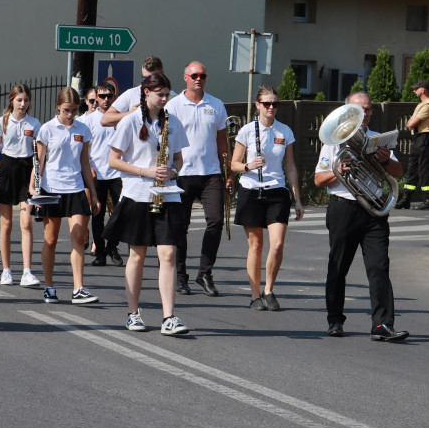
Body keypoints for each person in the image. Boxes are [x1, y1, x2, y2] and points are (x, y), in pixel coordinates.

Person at [315, 91, 409, 342]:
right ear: (347, 112)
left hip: (374, 210)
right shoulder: (333, 142)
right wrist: (338, 171)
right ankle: (335, 320)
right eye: (359, 110)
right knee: (338, 267)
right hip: (344, 209)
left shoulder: (378, 139)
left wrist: (387, 160)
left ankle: (382, 325)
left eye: (367, 110)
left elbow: (399, 172)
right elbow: (318, 179)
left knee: (379, 267)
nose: (364, 114)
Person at [104, 72, 189, 335]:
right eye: (159, 94)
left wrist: (172, 171)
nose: (164, 99)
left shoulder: (173, 122)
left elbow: (178, 160)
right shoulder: (130, 121)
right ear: (146, 93)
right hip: (138, 194)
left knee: (168, 254)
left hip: (167, 194)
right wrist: (145, 172)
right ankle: (133, 313)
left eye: (167, 94)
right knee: (137, 255)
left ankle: (169, 317)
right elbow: (113, 160)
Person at [230, 87, 304, 312]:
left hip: (276, 191)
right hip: (251, 189)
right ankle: (254, 295)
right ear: (257, 105)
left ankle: (269, 290)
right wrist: (247, 166)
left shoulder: (285, 131)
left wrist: (297, 199)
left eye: (275, 104)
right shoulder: (247, 131)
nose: (271, 107)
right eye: (266, 103)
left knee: (277, 243)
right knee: (256, 245)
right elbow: (233, 163)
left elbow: (290, 167)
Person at [166, 61, 231, 296]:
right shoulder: (173, 106)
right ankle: (181, 276)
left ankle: (205, 273)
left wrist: (228, 170)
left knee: (215, 221)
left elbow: (222, 141)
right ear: (185, 77)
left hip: (210, 173)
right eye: (194, 75)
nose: (198, 79)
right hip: (181, 174)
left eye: (202, 75)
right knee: (180, 226)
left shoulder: (216, 104)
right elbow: (166, 140)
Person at [32, 87, 101, 305]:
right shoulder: (47, 129)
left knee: (79, 237)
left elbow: (84, 163)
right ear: (58, 108)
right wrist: (33, 189)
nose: (70, 114)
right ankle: (49, 287)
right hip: (51, 189)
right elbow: (39, 162)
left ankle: (78, 288)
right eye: (66, 110)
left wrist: (95, 195)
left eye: (74, 110)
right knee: (50, 240)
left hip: (76, 188)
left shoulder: (83, 129)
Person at [0, 84, 42, 289]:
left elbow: (38, 157)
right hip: (6, 169)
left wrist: (36, 181)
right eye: (19, 100)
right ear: (11, 101)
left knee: (26, 223)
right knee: (6, 224)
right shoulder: (2, 121)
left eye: (26, 100)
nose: (23, 104)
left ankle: (27, 271)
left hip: (26, 172)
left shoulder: (35, 123)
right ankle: (6, 270)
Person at [77, 81, 123, 267]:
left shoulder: (120, 118)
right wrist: (88, 167)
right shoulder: (88, 120)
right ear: (96, 97)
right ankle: (101, 252)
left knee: (121, 211)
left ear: (114, 98)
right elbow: (82, 148)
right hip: (96, 173)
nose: (105, 100)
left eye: (109, 96)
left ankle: (113, 246)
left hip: (117, 171)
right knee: (97, 213)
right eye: (102, 96)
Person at [100, 56, 173, 127]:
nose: (148, 83)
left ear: (162, 74)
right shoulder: (132, 94)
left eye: (153, 79)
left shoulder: (172, 98)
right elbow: (105, 120)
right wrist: (131, 114)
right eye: (145, 78)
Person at [398, 80, 429, 210]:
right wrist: (411, 122)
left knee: (425, 170)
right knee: (412, 170)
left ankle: (428, 201)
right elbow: (410, 123)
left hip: (425, 139)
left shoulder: (427, 106)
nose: (414, 91)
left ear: (423, 90)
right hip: (417, 138)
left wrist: (411, 122)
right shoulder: (421, 105)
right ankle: (406, 200)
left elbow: (410, 124)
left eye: (416, 88)